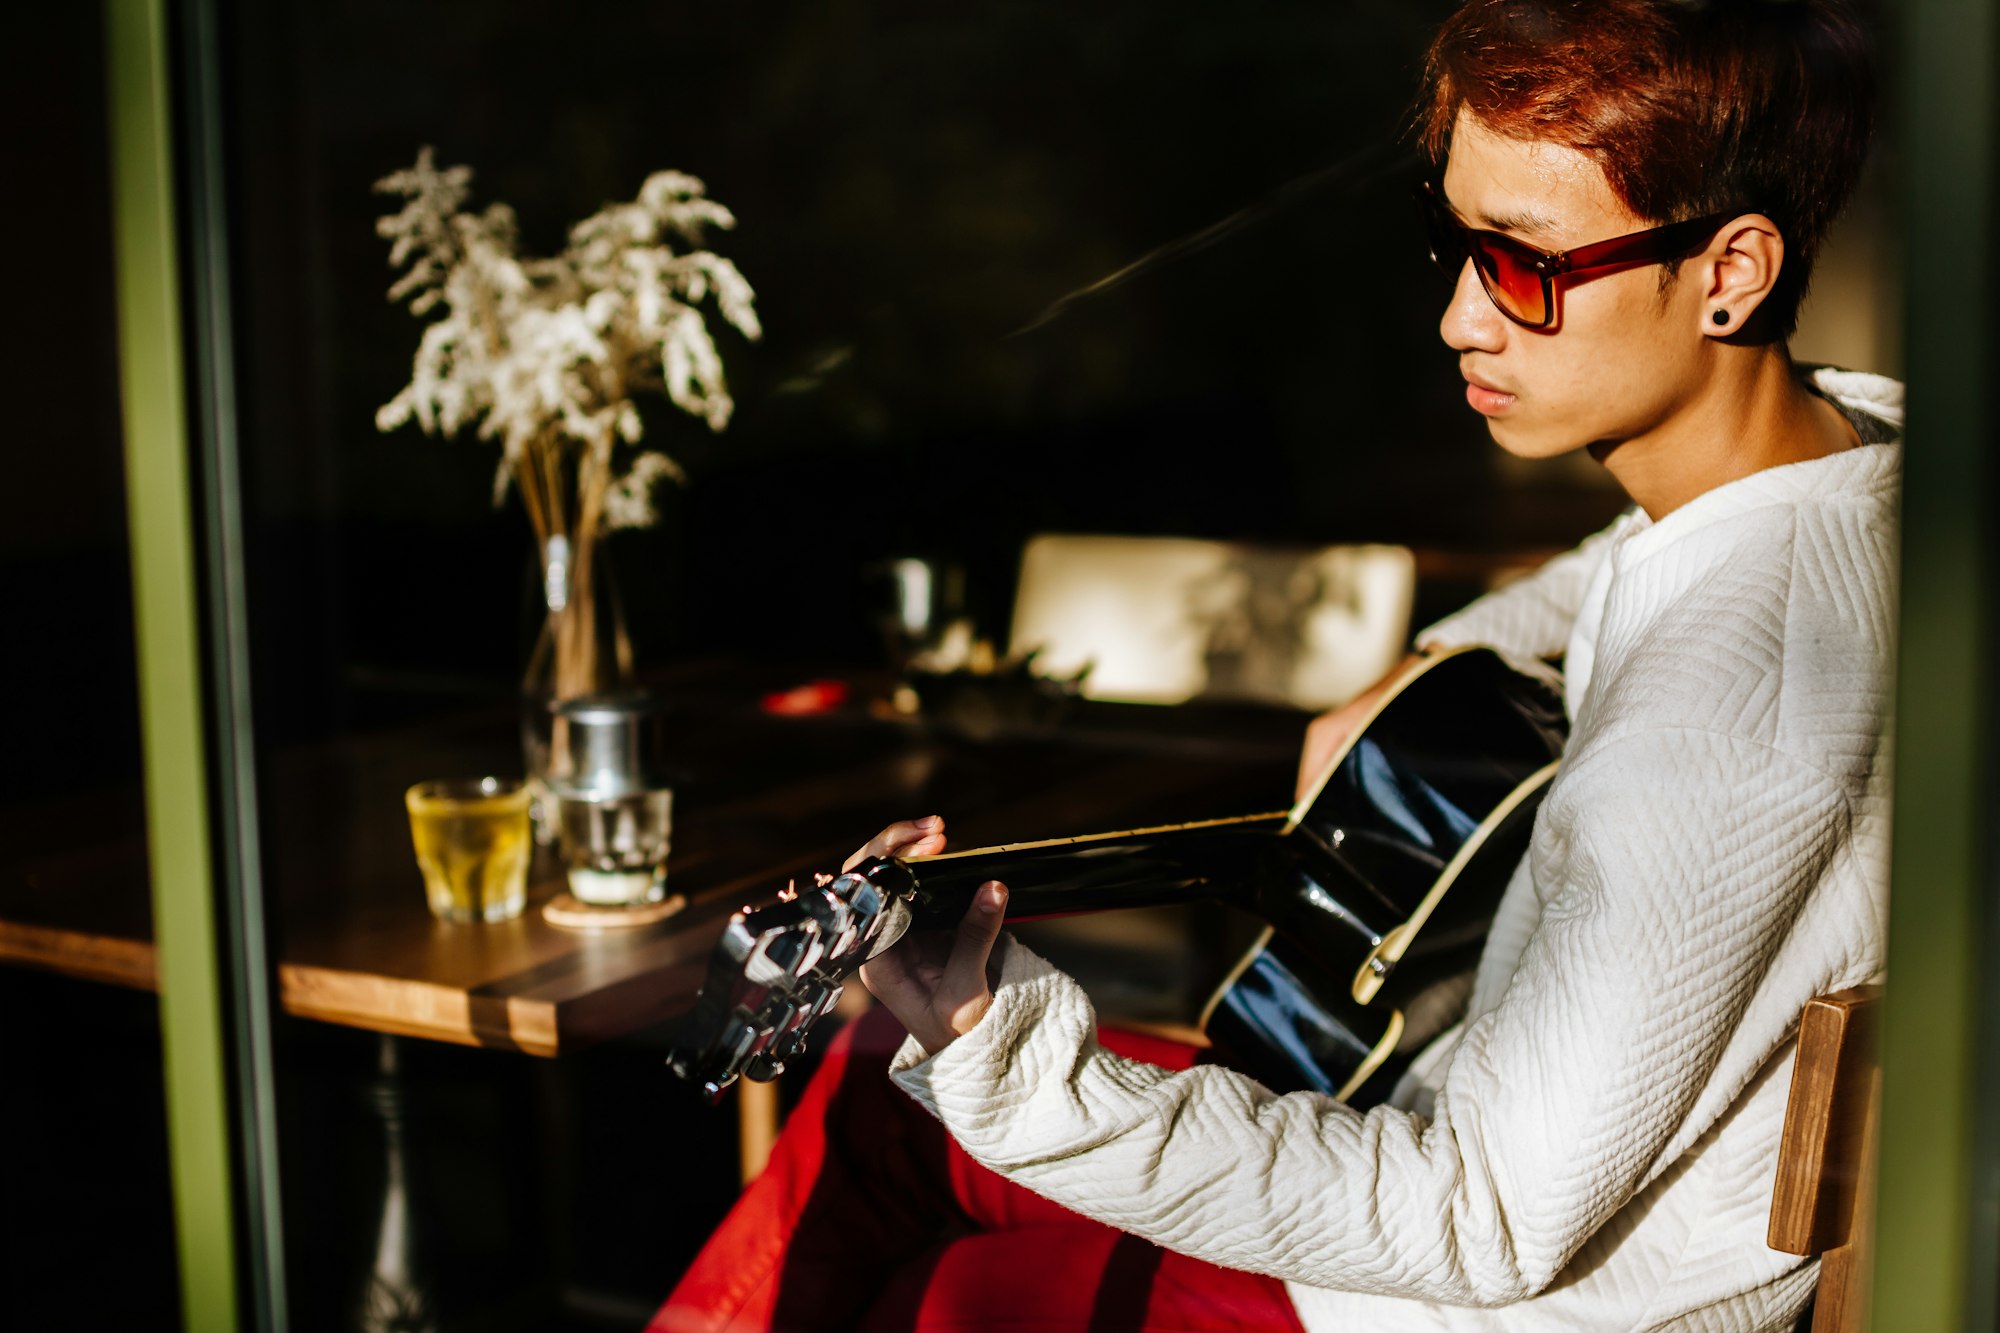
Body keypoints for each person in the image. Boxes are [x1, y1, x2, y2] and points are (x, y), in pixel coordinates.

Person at [653, 0, 1898, 1327]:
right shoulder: (1864, 478)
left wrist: (1003, 1052)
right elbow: (1619, 567)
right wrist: (1431, 664)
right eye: (1455, 244)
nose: (1459, 321)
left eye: (1525, 266)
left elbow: (1478, 1218)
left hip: (1470, 1297)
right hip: (1452, 1170)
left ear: (1731, 272)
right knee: (876, 1096)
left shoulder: (1716, 726)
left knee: (952, 1286)